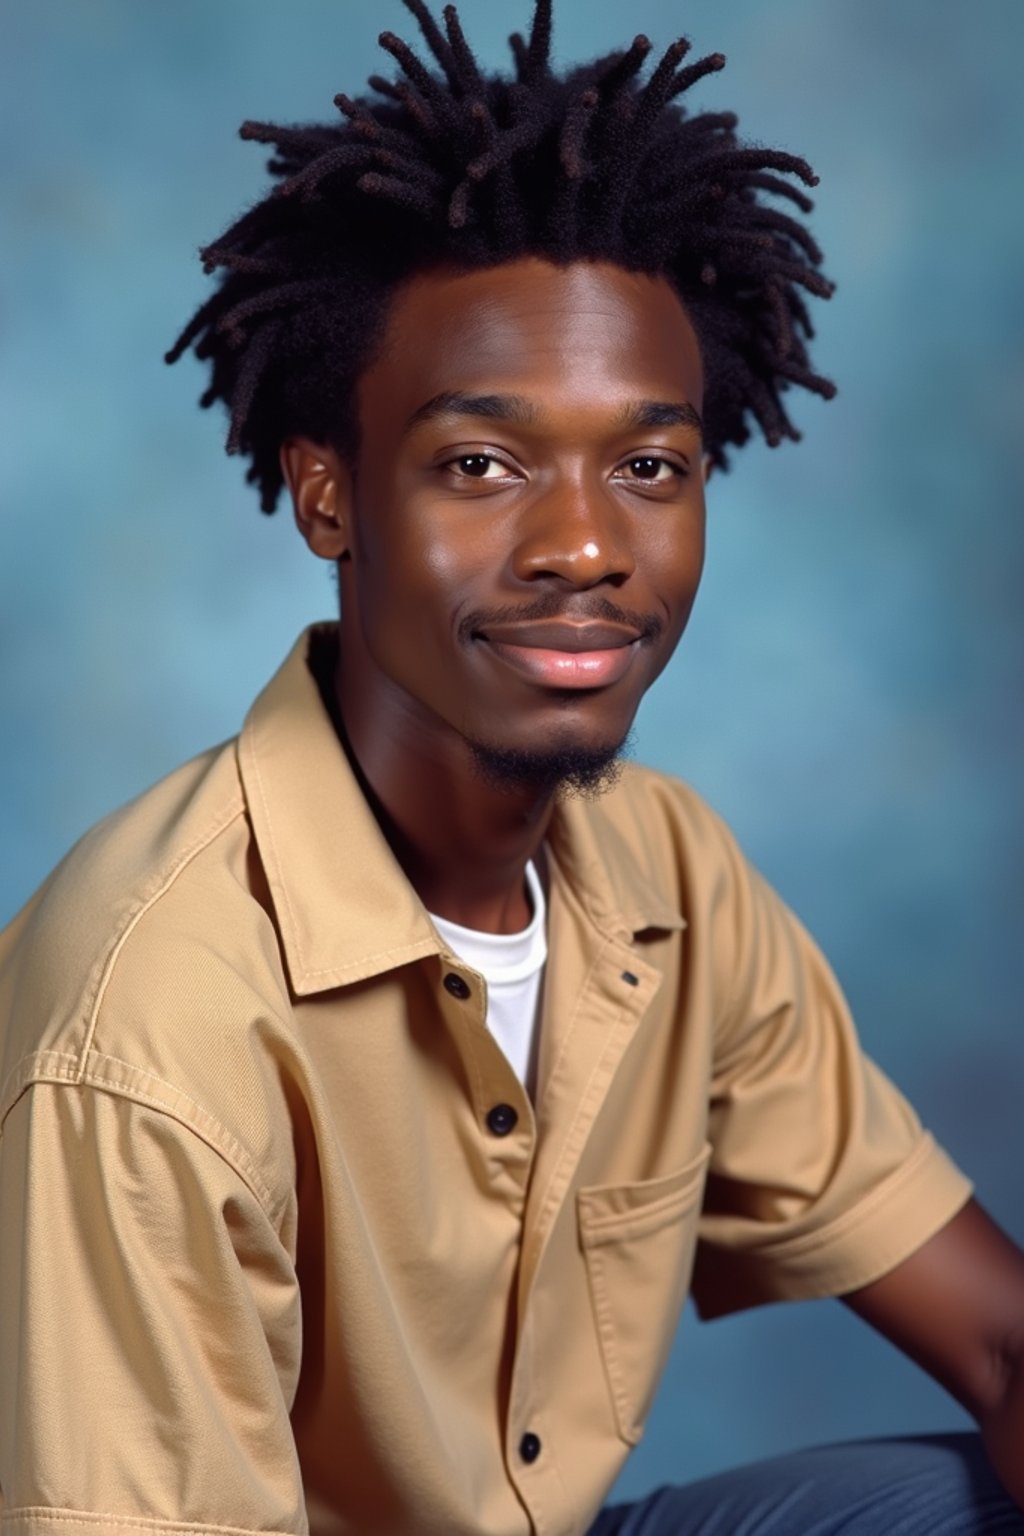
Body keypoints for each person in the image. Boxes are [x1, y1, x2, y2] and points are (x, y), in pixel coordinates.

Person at [0, 1, 1021, 1531]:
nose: (589, 546)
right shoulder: (149, 1028)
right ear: (329, 497)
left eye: (649, 466)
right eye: (482, 464)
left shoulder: (670, 880)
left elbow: (1001, 1344)